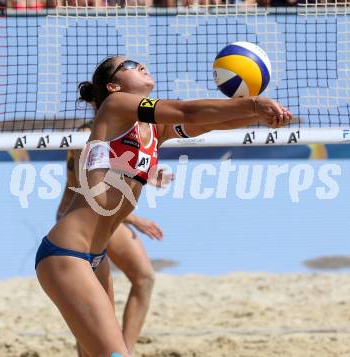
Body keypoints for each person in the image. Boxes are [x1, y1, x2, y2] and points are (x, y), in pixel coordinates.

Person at [35, 55, 292, 357]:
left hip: (95, 256)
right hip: (66, 255)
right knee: (115, 353)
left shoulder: (156, 130)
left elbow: (208, 121)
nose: (140, 65)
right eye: (129, 65)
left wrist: (260, 117)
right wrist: (253, 104)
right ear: (113, 86)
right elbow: (186, 109)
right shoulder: (115, 108)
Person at [57, 121, 170, 354]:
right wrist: (135, 219)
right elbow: (87, 189)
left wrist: (147, 173)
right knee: (97, 306)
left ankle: (124, 351)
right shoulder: (87, 133)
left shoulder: (129, 132)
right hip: (81, 219)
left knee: (144, 278)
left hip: (108, 216)